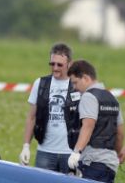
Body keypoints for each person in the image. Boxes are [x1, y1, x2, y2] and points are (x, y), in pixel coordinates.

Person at [19, 43, 80, 173]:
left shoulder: (77, 85)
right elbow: (32, 117)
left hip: (70, 152)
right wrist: (26, 146)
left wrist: (78, 151)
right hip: (45, 152)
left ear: (70, 64)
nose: (55, 68)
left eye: (59, 65)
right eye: (52, 64)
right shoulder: (40, 83)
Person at [65, 60, 124, 183]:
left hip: (92, 162)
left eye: (75, 82)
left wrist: (76, 152)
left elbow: (88, 125)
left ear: (85, 78)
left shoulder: (88, 96)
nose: (74, 87)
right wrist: (117, 155)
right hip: (110, 164)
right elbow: (120, 133)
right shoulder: (112, 97)